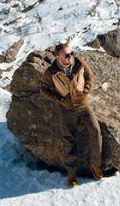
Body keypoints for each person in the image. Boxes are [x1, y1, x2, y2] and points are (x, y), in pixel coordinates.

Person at [40, 43, 103, 188]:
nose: (71, 57)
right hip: (66, 110)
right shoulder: (51, 72)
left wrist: (85, 91)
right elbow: (43, 88)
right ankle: (72, 173)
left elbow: (89, 76)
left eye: (71, 53)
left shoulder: (79, 63)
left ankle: (95, 165)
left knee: (95, 131)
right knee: (69, 140)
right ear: (58, 57)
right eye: (67, 55)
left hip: (83, 106)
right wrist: (58, 98)